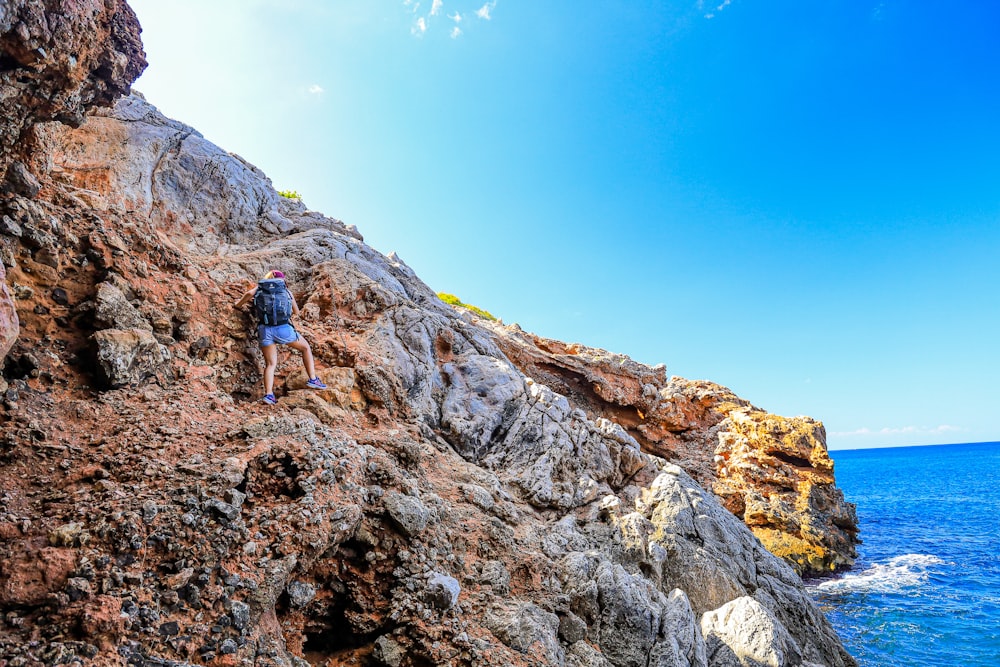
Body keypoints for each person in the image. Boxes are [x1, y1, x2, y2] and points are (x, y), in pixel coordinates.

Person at [235, 270, 327, 404]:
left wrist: (237, 305)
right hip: (284, 329)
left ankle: (269, 395)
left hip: (265, 329)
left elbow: (249, 294)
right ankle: (313, 379)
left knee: (271, 364)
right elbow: (296, 312)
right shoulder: (285, 291)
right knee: (306, 348)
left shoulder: (261, 288)